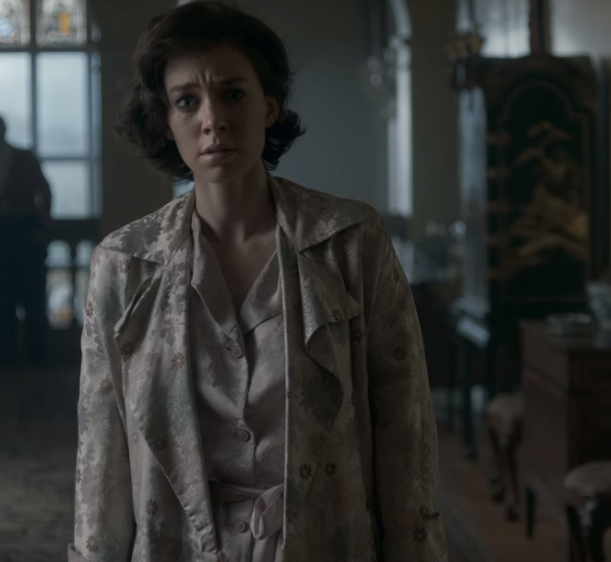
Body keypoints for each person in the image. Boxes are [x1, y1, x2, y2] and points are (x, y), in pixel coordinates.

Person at [70, 2, 447, 562]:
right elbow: (101, 451)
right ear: (166, 120)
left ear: (269, 106)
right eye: (187, 101)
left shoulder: (349, 242)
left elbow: (404, 430)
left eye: (232, 94)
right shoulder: (125, 265)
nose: (212, 120)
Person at [0, 115, 52, 366]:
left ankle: (35, 353)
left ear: (3, 130)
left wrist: (44, 225)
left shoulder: (24, 156)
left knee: (32, 294)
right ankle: (6, 353)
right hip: (0, 231)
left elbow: (44, 189)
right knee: (3, 294)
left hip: (24, 229)